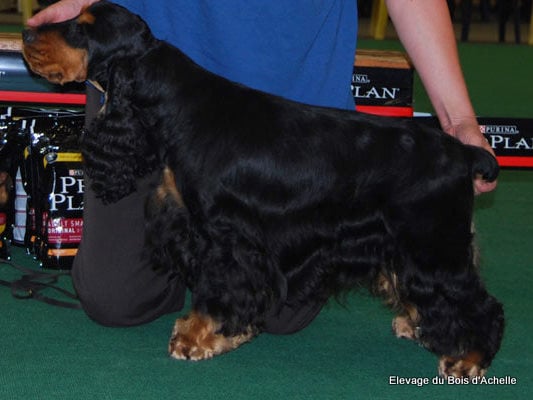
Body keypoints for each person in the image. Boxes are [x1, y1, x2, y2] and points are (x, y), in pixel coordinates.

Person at [26, 0, 497, 330]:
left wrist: (459, 121)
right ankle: (195, 260)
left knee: (279, 311)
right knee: (116, 301)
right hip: (145, 89)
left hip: (286, 116)